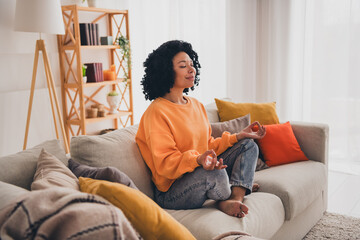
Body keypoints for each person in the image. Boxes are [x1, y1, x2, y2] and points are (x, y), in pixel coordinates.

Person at [135, 40, 266, 218]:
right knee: (215, 176)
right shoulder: (156, 112)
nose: (191, 69)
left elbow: (209, 144)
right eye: (183, 66)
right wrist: (199, 160)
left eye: (191, 64)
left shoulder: (196, 105)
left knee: (248, 145)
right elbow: (165, 163)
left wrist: (239, 136)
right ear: (166, 71)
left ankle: (235, 198)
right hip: (173, 191)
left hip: (200, 169)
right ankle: (236, 187)